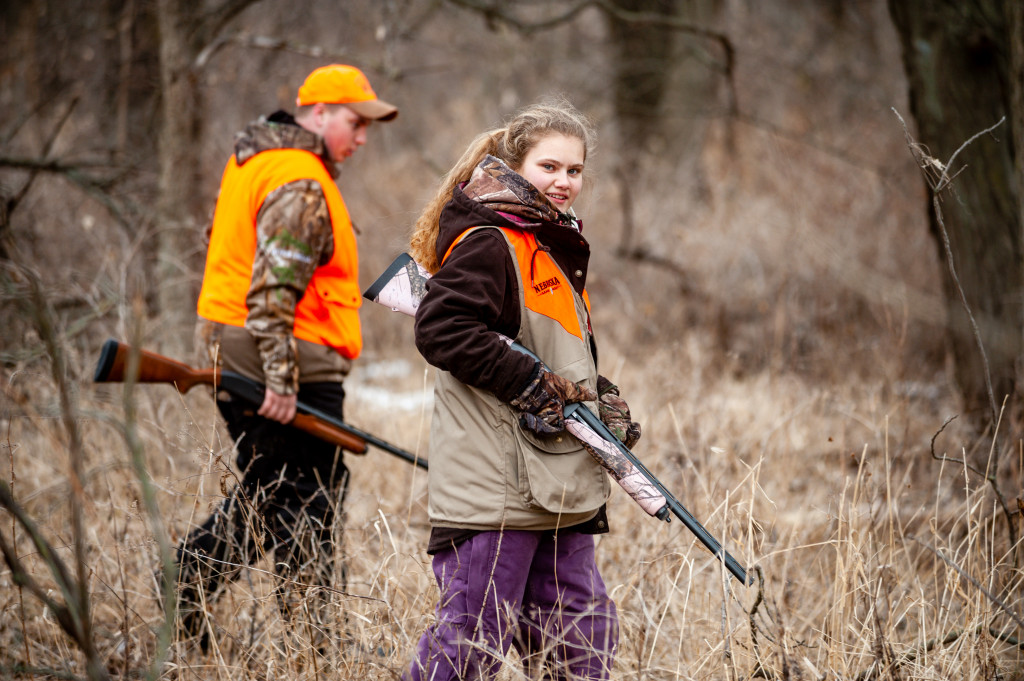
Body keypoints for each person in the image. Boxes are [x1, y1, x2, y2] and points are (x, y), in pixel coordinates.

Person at [404, 100, 641, 680]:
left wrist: (593, 393)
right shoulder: (492, 240)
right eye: (549, 167)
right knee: (469, 646)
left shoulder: (548, 243)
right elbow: (443, 330)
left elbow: (537, 342)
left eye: (575, 171)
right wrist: (536, 384)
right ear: (513, 165)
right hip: (498, 490)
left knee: (581, 644)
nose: (564, 182)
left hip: (557, 483)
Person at [170, 64, 398, 647]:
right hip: (284, 362)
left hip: (266, 353)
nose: (363, 137)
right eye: (355, 122)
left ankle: (198, 584)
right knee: (303, 501)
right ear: (318, 114)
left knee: (278, 492)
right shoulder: (300, 179)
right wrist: (279, 377)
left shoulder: (259, 162)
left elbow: (223, 245)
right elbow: (272, 289)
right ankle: (311, 641)